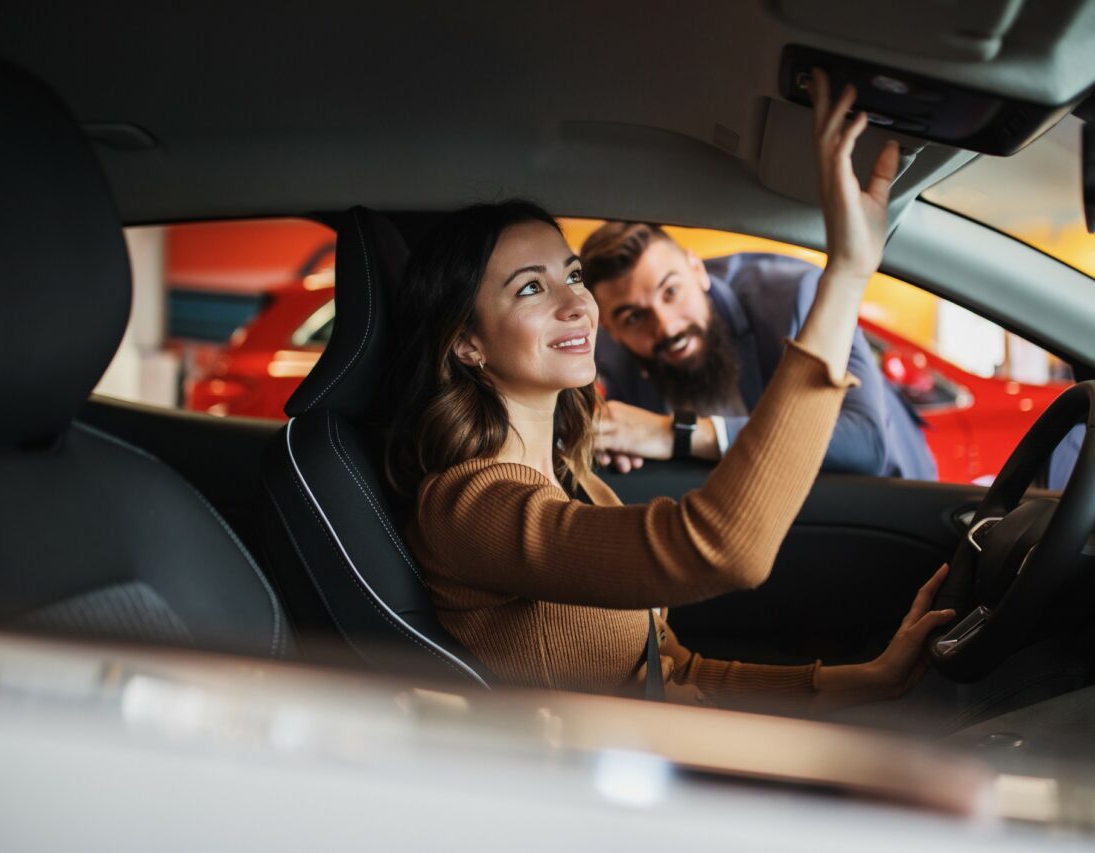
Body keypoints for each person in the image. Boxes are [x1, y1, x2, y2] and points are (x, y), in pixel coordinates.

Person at [384, 70, 953, 714]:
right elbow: (724, 550)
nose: (577, 303)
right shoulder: (468, 507)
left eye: (571, 276)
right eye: (530, 288)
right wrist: (846, 274)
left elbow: (675, 673)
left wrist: (866, 680)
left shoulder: (576, 482)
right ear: (468, 344)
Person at [580, 225, 938, 480]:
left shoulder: (796, 298)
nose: (667, 327)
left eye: (671, 292)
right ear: (610, 329)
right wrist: (613, 446)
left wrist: (676, 433)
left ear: (697, 271)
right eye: (633, 318)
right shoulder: (609, 355)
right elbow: (630, 444)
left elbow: (865, 444)